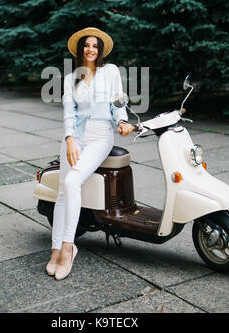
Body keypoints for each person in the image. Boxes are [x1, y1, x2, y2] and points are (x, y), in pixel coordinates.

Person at [46, 27, 134, 280]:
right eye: (87, 45)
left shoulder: (110, 72)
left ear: (101, 50)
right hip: (76, 138)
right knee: (63, 192)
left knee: (73, 181)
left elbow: (118, 102)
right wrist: (70, 139)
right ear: (80, 49)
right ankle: (54, 250)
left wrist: (121, 122)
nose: (91, 49)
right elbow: (68, 113)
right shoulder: (70, 78)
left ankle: (68, 247)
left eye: (95, 46)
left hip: (100, 136)